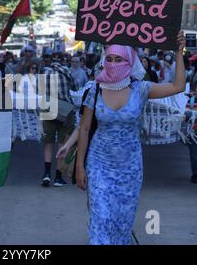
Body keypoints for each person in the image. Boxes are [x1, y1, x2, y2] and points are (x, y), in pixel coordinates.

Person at [75, 32, 186, 245]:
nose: (114, 63)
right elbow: (85, 128)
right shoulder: (94, 89)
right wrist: (80, 166)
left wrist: (178, 53)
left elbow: (177, 86)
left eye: (119, 59)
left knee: (122, 223)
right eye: (110, 58)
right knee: (101, 218)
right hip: (99, 165)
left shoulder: (141, 89)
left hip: (129, 169)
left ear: (130, 61)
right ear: (103, 59)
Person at [41, 51, 79, 187]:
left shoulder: (44, 72)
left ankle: (46, 174)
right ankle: (58, 176)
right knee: (63, 143)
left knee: (48, 142)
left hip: (48, 107)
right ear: (63, 61)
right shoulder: (66, 71)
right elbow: (74, 87)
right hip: (65, 110)